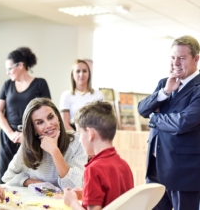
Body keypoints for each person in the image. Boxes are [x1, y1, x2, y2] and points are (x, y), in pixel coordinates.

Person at [138, 35, 200, 210]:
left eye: (181, 58)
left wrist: (154, 118)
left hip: (183, 173)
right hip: (155, 169)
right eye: (173, 57)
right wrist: (164, 92)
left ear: (196, 59)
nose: (176, 63)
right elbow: (142, 109)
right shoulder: (164, 83)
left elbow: (182, 122)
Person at [0, 47, 51, 184]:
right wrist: (11, 134)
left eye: (9, 68)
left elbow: (48, 112)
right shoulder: (7, 85)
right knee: (4, 176)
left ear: (20, 65)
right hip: (9, 138)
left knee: (29, 176)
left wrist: (27, 134)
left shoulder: (40, 84)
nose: (7, 73)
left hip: (32, 137)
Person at [1, 98, 87, 189]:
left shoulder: (77, 141)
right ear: (34, 129)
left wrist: (54, 151)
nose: (48, 124)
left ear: (58, 117)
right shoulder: (29, 146)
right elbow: (8, 176)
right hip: (37, 201)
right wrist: (32, 182)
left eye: (50, 117)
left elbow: (74, 186)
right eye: (40, 122)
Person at [64, 101, 133, 210]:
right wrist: (88, 193)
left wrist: (72, 203)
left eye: (80, 134)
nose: (80, 140)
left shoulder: (93, 170)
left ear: (90, 134)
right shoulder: (124, 165)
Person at [59, 59, 103, 131]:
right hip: (73, 134)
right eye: (78, 71)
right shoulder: (66, 95)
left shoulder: (98, 94)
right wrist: (78, 137)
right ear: (72, 75)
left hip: (94, 133)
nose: (81, 74)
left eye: (84, 71)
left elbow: (102, 120)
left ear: (89, 74)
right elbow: (64, 123)